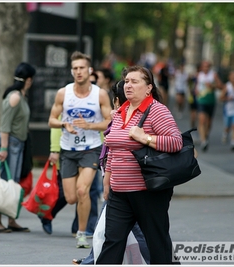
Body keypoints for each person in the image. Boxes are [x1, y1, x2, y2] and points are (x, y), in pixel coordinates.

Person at [96, 65, 183, 264]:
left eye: (135, 82)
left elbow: (176, 142)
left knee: (157, 242)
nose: (128, 85)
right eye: (126, 81)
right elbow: (113, 150)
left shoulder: (157, 111)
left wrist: (146, 137)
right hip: (119, 192)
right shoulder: (120, 112)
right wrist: (108, 181)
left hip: (148, 191)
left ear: (148, 88)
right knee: (112, 242)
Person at [73, 79, 151, 265]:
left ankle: (159, 260)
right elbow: (110, 155)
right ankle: (92, 260)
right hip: (118, 184)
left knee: (140, 231)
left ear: (116, 100)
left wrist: (108, 181)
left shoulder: (129, 118)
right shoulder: (120, 118)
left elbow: (114, 152)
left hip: (128, 185)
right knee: (113, 228)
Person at [48, 51, 112, 248]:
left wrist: (90, 126)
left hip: (91, 148)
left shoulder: (99, 94)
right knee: (71, 197)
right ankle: (81, 226)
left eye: (82, 68)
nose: (78, 72)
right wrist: (63, 125)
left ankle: (82, 233)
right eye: (75, 68)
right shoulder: (63, 93)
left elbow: (111, 121)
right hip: (68, 149)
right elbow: (51, 120)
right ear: (71, 71)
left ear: (89, 70)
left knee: (83, 191)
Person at [0, 62, 36, 233]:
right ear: (28, 80)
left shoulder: (21, 95)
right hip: (10, 143)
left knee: (14, 184)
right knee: (4, 182)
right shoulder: (15, 96)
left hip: (19, 144)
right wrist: (3, 148)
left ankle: (11, 219)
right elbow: (5, 125)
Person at [195, 60, 223, 151]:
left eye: (207, 66)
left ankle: (205, 136)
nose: (206, 68)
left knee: (209, 122)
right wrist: (196, 91)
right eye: (204, 66)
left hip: (211, 101)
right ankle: (203, 141)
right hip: (201, 100)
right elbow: (197, 86)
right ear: (202, 67)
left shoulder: (213, 75)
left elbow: (221, 86)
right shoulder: (199, 75)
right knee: (202, 120)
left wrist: (212, 86)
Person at [220, 70, 234, 151]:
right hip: (228, 110)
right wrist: (227, 98)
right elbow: (221, 98)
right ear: (229, 78)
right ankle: (225, 134)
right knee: (227, 127)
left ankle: (233, 142)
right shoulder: (227, 86)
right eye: (233, 77)